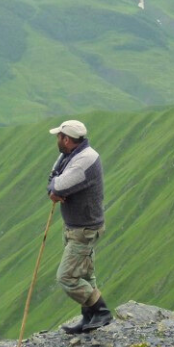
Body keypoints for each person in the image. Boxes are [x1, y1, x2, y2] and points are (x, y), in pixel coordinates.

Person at [47, 119, 112, 333]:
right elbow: (53, 181)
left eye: (59, 136)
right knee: (84, 274)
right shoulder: (70, 155)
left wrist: (54, 188)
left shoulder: (84, 160)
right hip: (76, 226)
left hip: (84, 229)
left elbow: (59, 185)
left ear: (66, 139)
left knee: (66, 277)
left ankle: (101, 311)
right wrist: (54, 188)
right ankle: (88, 317)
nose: (57, 139)